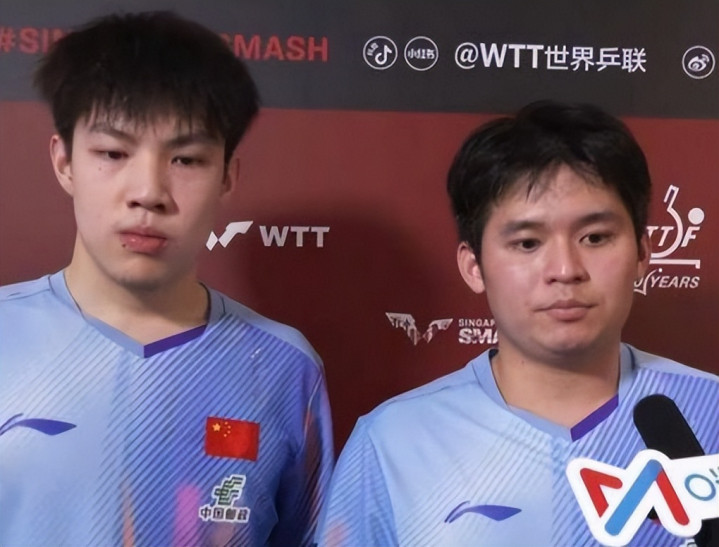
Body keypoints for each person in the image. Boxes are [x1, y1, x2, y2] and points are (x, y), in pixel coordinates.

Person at [315, 101, 719, 546]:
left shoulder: (709, 411)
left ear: (642, 254)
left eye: (595, 237)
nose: (565, 269)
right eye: (527, 243)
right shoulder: (394, 441)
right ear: (473, 266)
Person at [0, 12, 333, 547]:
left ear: (227, 176)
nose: (148, 192)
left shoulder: (284, 369)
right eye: (113, 153)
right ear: (64, 162)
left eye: (186, 159)